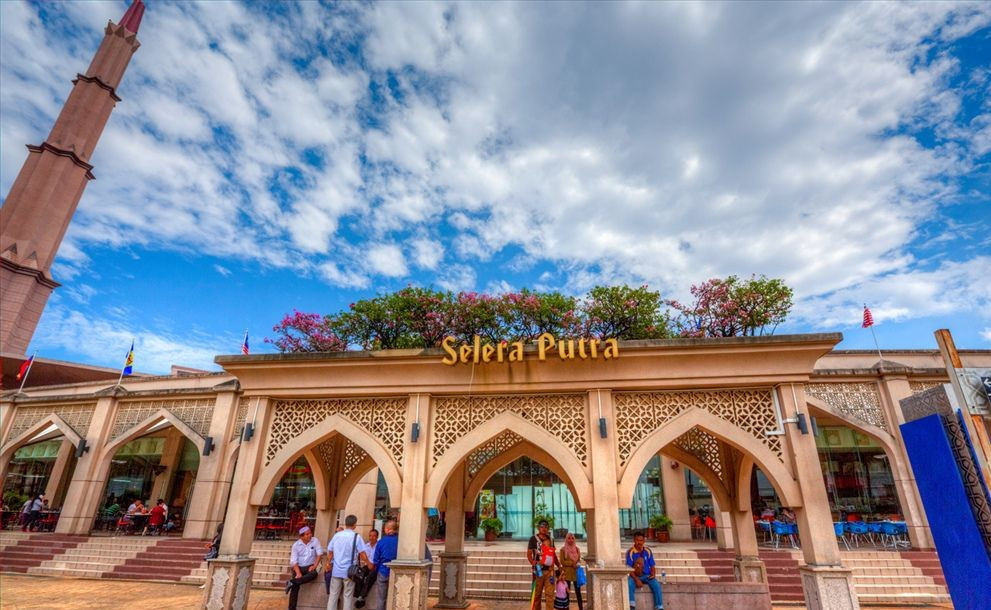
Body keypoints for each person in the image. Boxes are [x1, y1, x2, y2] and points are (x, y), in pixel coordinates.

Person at [326, 514, 371, 610]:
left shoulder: (337, 535)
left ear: (346, 524)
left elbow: (330, 552)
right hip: (349, 572)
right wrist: (369, 563)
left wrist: (328, 563)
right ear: (354, 524)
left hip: (336, 570)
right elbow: (362, 554)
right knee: (348, 596)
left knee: (333, 596)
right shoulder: (356, 537)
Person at [286, 526, 324, 610]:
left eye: (310, 533)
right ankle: (292, 608)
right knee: (295, 588)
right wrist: (298, 573)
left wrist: (314, 566)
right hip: (298, 567)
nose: (310, 535)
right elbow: (293, 561)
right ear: (301, 536)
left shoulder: (315, 541)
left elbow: (319, 554)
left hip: (310, 566)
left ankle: (292, 582)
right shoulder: (296, 545)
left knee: (314, 574)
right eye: (307, 534)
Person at [527, 519, 559, 610]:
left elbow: (553, 554)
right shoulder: (533, 539)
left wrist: (559, 566)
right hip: (538, 571)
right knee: (537, 595)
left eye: (546, 527)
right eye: (542, 526)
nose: (544, 528)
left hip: (550, 571)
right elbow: (529, 553)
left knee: (550, 595)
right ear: (538, 528)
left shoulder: (551, 540)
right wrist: (532, 562)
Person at [626, 531, 663, 610]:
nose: (639, 542)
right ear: (634, 540)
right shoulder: (630, 552)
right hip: (635, 576)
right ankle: (631, 606)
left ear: (644, 541)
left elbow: (652, 565)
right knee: (629, 584)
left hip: (646, 575)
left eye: (641, 540)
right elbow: (629, 569)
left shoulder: (648, 551)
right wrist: (636, 580)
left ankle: (659, 607)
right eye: (637, 540)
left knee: (656, 585)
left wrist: (653, 574)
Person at [372, 520, 398, 610]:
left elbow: (376, 560)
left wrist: (376, 569)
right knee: (395, 597)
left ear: (387, 529)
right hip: (396, 572)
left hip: (383, 571)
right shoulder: (400, 541)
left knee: (381, 598)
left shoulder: (381, 542)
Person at [558, 531, 583, 610]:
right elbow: (562, 561)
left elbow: (579, 560)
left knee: (578, 593)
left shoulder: (577, 549)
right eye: (569, 538)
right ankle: (566, 608)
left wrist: (577, 564)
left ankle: (581, 608)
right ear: (566, 539)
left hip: (576, 574)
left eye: (572, 538)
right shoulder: (563, 550)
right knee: (566, 593)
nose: (571, 540)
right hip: (567, 574)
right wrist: (572, 564)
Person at [355, 529, 379, 608]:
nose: (371, 537)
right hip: (367, 565)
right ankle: (358, 595)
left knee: (369, 577)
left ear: (377, 537)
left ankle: (361, 597)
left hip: (375, 566)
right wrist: (368, 563)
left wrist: (373, 565)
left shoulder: (379, 546)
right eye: (370, 536)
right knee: (359, 575)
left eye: (374, 536)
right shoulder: (366, 546)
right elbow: (363, 557)